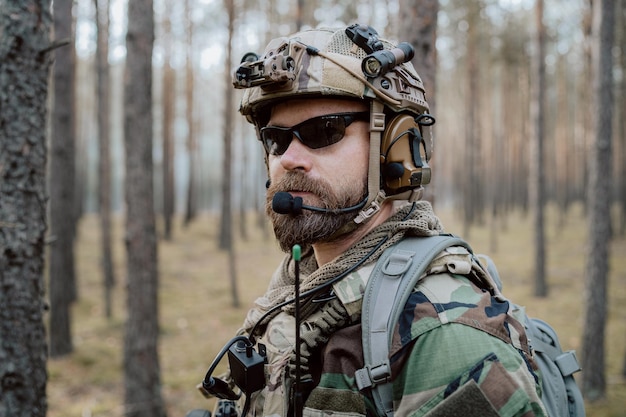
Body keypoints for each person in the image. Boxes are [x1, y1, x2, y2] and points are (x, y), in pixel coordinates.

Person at [219, 24, 547, 417]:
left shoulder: (446, 340)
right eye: (277, 138)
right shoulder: (299, 291)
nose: (289, 158)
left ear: (394, 147)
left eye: (322, 131)